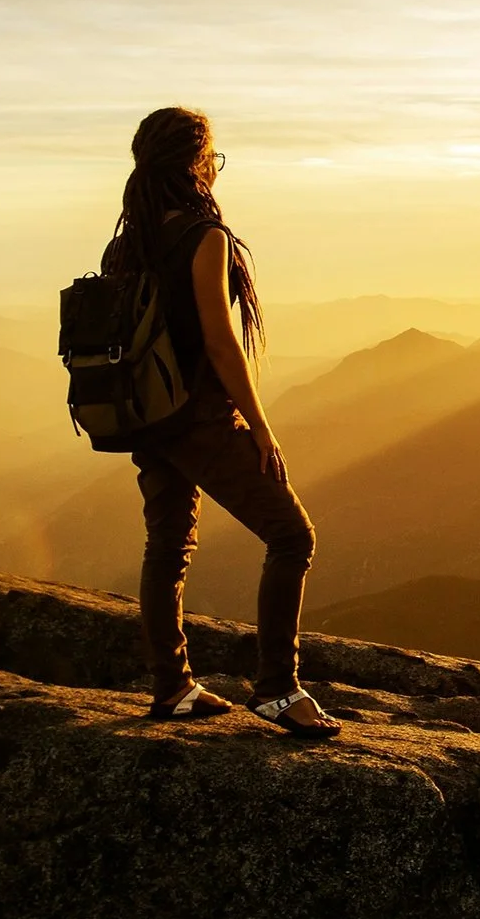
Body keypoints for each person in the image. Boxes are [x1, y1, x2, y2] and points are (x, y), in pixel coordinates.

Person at [104, 106, 340, 738]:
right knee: (293, 536)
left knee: (168, 548)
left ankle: (173, 686)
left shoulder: (125, 244)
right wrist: (259, 424)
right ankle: (277, 689)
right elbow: (219, 341)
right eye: (213, 157)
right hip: (201, 417)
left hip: (147, 419)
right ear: (194, 163)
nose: (215, 168)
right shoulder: (204, 237)